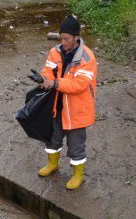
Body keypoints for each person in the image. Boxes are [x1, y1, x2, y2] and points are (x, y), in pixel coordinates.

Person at [37, 14, 97, 190]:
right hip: (57, 107)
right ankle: (53, 164)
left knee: (76, 146)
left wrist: (55, 83)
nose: (62, 41)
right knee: (52, 139)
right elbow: (49, 70)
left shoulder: (87, 58)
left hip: (77, 111)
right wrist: (43, 78)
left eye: (66, 38)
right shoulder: (55, 52)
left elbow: (80, 84)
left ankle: (78, 175)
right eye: (61, 37)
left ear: (76, 38)